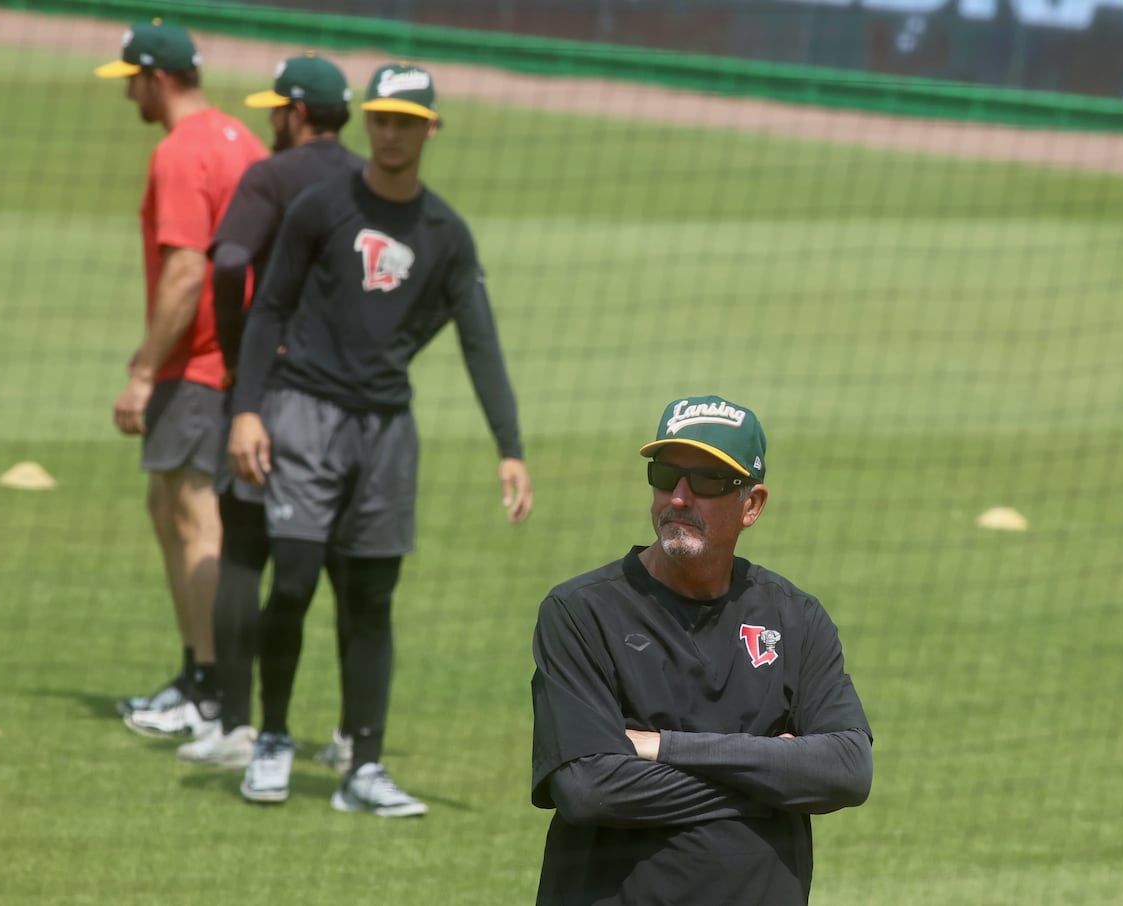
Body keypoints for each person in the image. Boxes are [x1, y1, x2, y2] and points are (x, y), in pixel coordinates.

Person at [227, 62, 534, 815]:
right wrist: (246, 409)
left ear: (432, 128)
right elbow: (267, 311)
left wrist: (510, 446)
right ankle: (270, 740)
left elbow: (479, 341)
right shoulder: (319, 207)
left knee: (371, 599)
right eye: (381, 118)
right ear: (367, 122)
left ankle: (364, 765)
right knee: (293, 582)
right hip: (302, 413)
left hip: (387, 433)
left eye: (406, 120)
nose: (391, 132)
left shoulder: (446, 234)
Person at [530, 395, 873, 905]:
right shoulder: (581, 612)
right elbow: (589, 788)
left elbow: (846, 769)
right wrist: (772, 778)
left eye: (709, 481)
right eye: (666, 475)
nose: (679, 498)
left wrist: (664, 748)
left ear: (752, 504)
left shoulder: (794, 616)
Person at [125, 55, 366, 771]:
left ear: (295, 113)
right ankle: (357, 739)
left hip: (268, 394)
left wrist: (239, 360)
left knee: (242, 554)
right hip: (358, 408)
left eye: (277, 110)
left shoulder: (272, 175)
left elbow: (224, 261)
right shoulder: (367, 183)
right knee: (350, 572)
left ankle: (232, 719)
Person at [95, 20, 268, 720]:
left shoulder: (178, 153)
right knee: (172, 510)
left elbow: (186, 269)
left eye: (131, 79)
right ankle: (201, 678)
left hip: (199, 365)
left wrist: (144, 367)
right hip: (235, 360)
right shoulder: (241, 141)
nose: (128, 93)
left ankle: (209, 688)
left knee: (197, 520)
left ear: (157, 79)